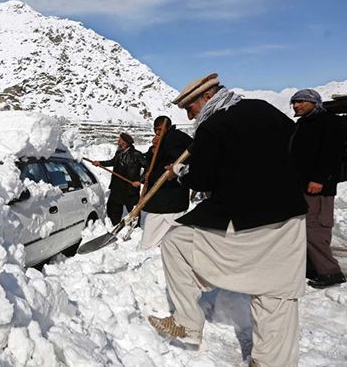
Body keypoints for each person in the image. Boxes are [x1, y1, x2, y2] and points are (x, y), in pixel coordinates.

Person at [148, 73, 307, 367]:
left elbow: (203, 179)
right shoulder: (265, 109)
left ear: (207, 97)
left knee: (176, 242)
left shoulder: (212, 126)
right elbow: (297, 149)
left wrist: (181, 172)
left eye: (189, 108)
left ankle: (187, 323)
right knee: (275, 293)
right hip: (288, 214)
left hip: (243, 219)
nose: (189, 114)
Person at [289, 89, 346, 289]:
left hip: (318, 187)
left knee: (316, 229)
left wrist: (319, 179)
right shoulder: (303, 123)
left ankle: (331, 272)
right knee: (305, 228)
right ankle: (313, 267)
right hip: (303, 186)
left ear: (314, 102)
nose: (297, 105)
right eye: (294, 102)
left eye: (302, 101)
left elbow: (331, 154)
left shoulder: (329, 122)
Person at [139, 116, 192, 249]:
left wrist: (174, 169)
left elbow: (181, 162)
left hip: (170, 196)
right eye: (155, 130)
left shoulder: (175, 140)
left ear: (168, 128)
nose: (157, 133)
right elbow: (154, 161)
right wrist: (153, 151)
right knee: (156, 231)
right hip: (163, 198)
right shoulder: (165, 140)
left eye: (160, 130)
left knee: (161, 236)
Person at [93, 133, 145, 225]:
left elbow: (148, 168)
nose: (118, 142)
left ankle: (134, 230)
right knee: (113, 208)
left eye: (120, 140)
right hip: (117, 187)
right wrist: (100, 163)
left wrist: (140, 181)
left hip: (130, 188)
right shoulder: (118, 153)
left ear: (124, 143)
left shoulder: (137, 155)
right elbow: (112, 162)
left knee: (133, 210)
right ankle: (114, 226)